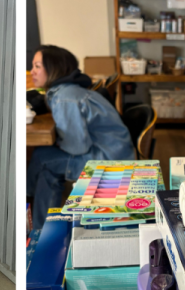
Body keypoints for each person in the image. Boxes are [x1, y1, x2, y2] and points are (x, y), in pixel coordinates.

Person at [27, 46, 136, 230]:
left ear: (54, 69)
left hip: (109, 161)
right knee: (46, 167)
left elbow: (77, 147)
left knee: (42, 158)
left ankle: (28, 205)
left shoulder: (65, 98)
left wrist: (59, 142)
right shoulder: (68, 91)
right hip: (114, 152)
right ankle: (41, 227)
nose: (32, 72)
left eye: (37, 66)